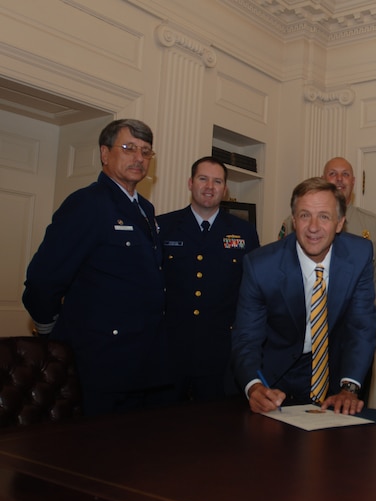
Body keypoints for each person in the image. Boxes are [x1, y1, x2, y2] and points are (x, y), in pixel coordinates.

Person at [22, 119, 172, 416]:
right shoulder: (87, 204)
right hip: (101, 361)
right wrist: (50, 330)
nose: (139, 158)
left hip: (143, 361)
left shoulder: (145, 208)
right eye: (129, 148)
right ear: (105, 153)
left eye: (146, 152)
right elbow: (43, 280)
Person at [232, 177, 376, 415]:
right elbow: (247, 337)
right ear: (293, 221)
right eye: (305, 215)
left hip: (334, 372)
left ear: (340, 223)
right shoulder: (261, 266)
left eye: (324, 216)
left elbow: (361, 327)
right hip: (276, 374)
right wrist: (254, 387)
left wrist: (349, 387)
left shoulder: (359, 255)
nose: (313, 227)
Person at [157, 156, 260, 402]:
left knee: (216, 428)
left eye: (217, 181)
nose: (209, 186)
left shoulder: (243, 232)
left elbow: (252, 292)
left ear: (225, 189)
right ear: (190, 183)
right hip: (171, 347)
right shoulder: (163, 226)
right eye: (203, 179)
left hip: (221, 350)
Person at [278, 157, 376, 306]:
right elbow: (280, 269)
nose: (339, 179)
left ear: (353, 182)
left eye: (345, 174)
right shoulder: (295, 223)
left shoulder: (374, 225)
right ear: (323, 179)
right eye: (332, 174)